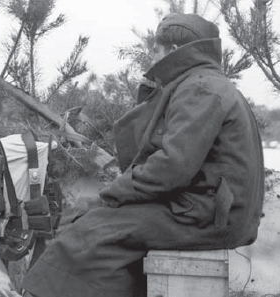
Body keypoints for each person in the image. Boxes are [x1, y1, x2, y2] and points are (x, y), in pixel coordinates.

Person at [21, 13, 265, 297]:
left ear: (174, 51)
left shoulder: (200, 88)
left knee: (91, 233)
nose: (150, 55)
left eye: (155, 49)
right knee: (87, 219)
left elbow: (172, 167)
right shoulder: (205, 83)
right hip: (208, 211)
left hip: (208, 218)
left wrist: (112, 193)